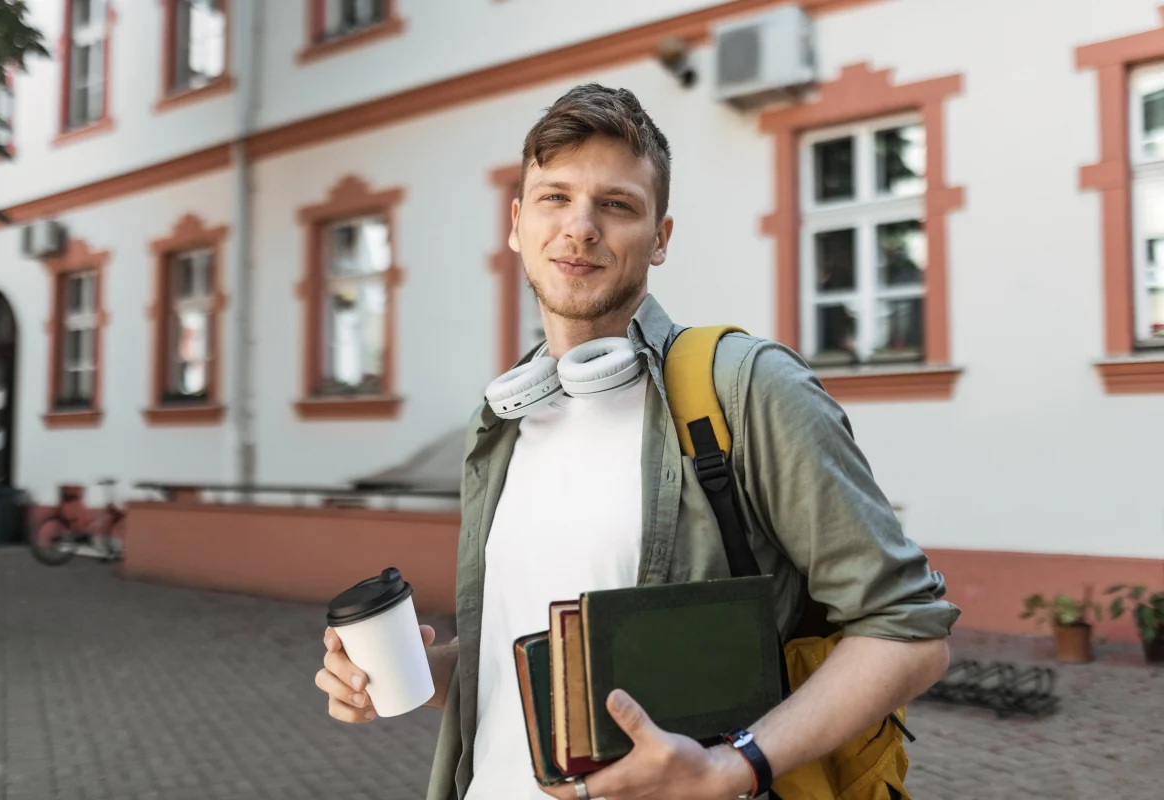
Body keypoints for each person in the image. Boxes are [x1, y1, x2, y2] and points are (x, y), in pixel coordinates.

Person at [316, 83, 960, 800]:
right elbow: (522, 664)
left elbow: (908, 629)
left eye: (616, 205)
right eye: (555, 197)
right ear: (517, 221)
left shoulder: (744, 391)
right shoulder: (502, 422)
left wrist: (735, 765)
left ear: (660, 237)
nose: (580, 227)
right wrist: (408, 677)